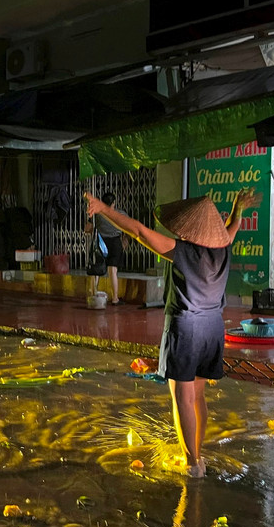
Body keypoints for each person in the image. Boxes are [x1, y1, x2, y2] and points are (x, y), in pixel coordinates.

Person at [85, 188, 261, 478]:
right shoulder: (223, 247)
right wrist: (238, 209)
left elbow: (139, 232)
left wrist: (103, 209)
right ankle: (198, 454)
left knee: (182, 397)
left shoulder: (182, 252)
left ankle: (192, 464)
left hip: (186, 328)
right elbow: (229, 232)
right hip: (213, 328)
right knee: (198, 395)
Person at [84, 191, 127, 305]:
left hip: (101, 242)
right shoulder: (121, 214)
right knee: (113, 270)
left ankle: (94, 294)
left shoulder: (97, 214)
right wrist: (124, 242)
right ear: (113, 203)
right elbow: (127, 229)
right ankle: (115, 298)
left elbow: (87, 229)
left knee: (97, 269)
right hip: (115, 243)